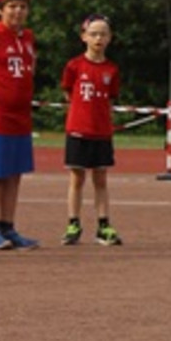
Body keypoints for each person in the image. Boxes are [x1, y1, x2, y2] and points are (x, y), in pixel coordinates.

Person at [60, 14, 123, 246]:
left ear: (110, 38)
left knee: (101, 179)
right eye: (94, 33)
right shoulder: (74, 66)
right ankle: (73, 222)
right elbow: (68, 92)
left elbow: (111, 99)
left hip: (101, 131)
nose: (99, 38)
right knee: (77, 178)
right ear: (84, 37)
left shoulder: (111, 69)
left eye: (103, 34)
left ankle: (103, 224)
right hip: (78, 129)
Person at [0, 0, 40, 250]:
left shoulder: (28, 38)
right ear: (0, 10)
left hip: (20, 117)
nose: (17, 12)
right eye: (12, 6)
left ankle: (8, 226)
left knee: (13, 173)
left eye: (22, 6)